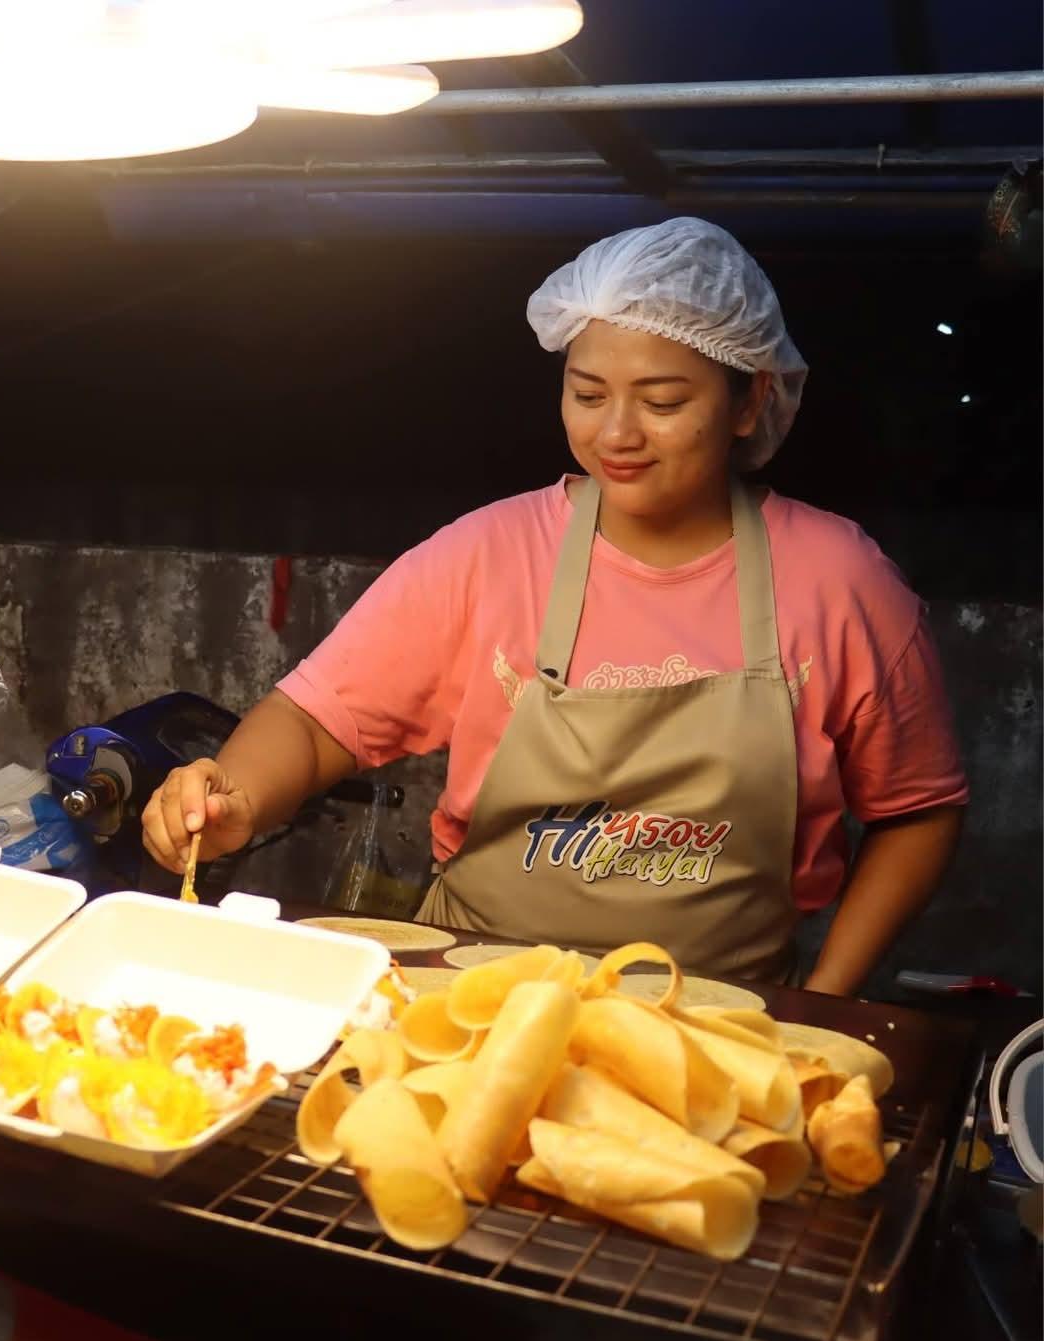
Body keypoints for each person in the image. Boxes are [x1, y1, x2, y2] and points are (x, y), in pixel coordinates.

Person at [142, 218, 966, 995]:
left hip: (723, 1024)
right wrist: (236, 799)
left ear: (750, 402)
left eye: (663, 402)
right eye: (588, 393)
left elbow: (919, 810)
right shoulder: (490, 555)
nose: (617, 434)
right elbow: (315, 722)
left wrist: (823, 1003)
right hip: (472, 1003)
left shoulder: (838, 582)